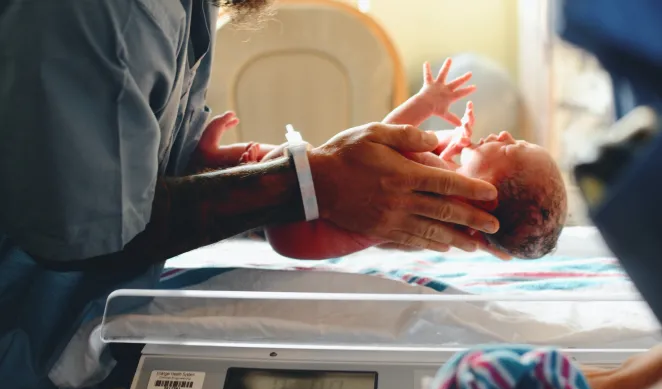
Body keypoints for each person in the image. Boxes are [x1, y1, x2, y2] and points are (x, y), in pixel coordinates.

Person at [0, 0, 503, 389]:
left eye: (513, 153)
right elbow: (91, 227)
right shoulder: (108, 12)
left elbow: (105, 164)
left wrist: (197, 168)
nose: (501, 140)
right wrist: (305, 182)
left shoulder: (184, 10)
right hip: (27, 337)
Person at [209, 64, 567, 260]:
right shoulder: (455, 219)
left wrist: (427, 103)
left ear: (488, 196)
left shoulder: (438, 184)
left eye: (511, 149)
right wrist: (453, 145)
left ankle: (211, 160)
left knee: (283, 155)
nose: (504, 135)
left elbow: (384, 137)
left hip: (307, 224)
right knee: (282, 160)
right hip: (303, 238)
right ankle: (214, 161)